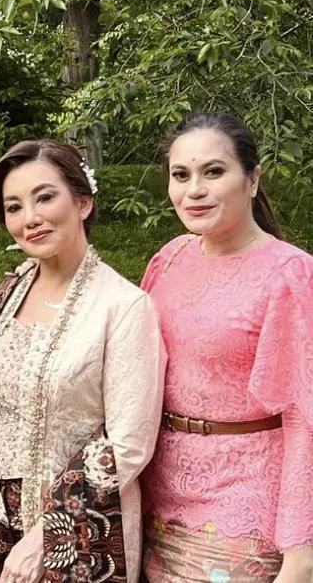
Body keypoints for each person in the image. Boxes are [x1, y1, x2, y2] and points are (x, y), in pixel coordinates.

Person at [0, 140, 166, 583]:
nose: (30, 218)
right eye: (14, 206)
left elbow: (129, 444)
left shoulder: (123, 307)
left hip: (83, 529)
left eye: (44, 197)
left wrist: (47, 534)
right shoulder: (5, 295)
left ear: (83, 202)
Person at [140, 113, 313, 583]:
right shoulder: (169, 258)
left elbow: (304, 416)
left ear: (252, 180)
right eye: (181, 175)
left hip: (241, 509)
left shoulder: (290, 275)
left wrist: (301, 551)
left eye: (213, 172)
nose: (194, 189)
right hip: (154, 499)